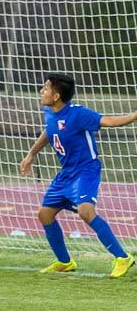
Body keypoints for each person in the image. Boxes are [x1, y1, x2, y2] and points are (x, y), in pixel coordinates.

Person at [19, 72, 136, 278]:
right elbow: (49, 131)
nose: (41, 91)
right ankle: (65, 262)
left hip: (86, 170)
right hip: (66, 173)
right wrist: (31, 154)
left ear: (56, 96)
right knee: (44, 214)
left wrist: (134, 116)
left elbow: (107, 121)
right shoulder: (49, 112)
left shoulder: (78, 114)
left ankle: (122, 257)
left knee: (85, 211)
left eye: (45, 88)